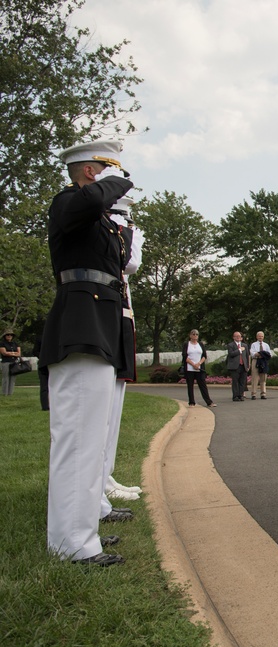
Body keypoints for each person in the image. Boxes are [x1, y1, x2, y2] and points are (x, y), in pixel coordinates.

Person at [40, 139, 134, 566]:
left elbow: (121, 260)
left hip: (100, 322)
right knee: (77, 438)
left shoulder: (97, 218)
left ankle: (82, 532)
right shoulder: (68, 204)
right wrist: (116, 182)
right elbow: (91, 200)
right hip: (80, 323)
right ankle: (71, 544)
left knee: (90, 438)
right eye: (104, 171)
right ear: (91, 173)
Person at [101, 195, 145, 506]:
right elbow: (131, 263)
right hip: (105, 322)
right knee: (103, 412)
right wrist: (132, 235)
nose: (128, 224)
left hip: (118, 320)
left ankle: (104, 474)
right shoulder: (110, 231)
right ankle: (100, 477)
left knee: (112, 410)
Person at [183, 329, 216, 407]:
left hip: (199, 368)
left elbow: (204, 356)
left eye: (196, 334)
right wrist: (193, 364)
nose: (195, 336)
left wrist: (199, 364)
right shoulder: (186, 344)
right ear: (190, 335)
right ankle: (191, 402)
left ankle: (209, 402)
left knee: (203, 385)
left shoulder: (200, 344)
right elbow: (185, 356)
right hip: (190, 368)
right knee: (190, 385)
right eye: (193, 334)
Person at [227, 331, 251, 401]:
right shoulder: (231, 345)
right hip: (235, 366)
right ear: (233, 337)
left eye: (239, 336)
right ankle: (235, 396)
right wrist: (239, 350)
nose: (238, 337)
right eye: (236, 336)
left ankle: (241, 395)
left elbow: (247, 356)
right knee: (235, 382)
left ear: (241, 338)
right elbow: (231, 354)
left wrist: (247, 365)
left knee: (242, 381)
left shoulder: (245, 345)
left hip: (243, 365)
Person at [249, 331, 271, 399]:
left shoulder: (266, 345)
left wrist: (261, 353)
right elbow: (253, 353)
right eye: (259, 336)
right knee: (255, 378)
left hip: (264, 361)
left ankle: (263, 394)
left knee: (263, 378)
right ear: (256, 337)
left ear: (263, 337)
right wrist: (262, 354)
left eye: (261, 336)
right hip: (256, 361)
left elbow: (269, 354)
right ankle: (253, 394)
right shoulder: (253, 344)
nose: (260, 337)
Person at [1, 329, 21, 395]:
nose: (9, 336)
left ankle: (10, 393)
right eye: (8, 335)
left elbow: (19, 353)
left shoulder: (15, 343)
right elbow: (4, 353)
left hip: (14, 362)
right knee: (6, 378)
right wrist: (14, 353)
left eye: (11, 335)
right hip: (6, 362)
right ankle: (5, 393)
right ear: (5, 336)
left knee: (12, 378)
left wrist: (10, 353)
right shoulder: (2, 343)